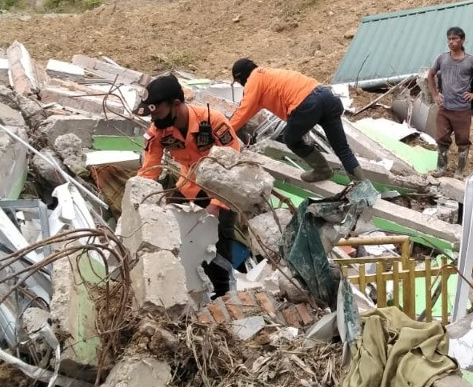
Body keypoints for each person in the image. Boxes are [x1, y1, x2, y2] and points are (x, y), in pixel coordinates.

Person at [135, 75, 242, 298]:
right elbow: (149, 169)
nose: (154, 118)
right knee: (171, 229)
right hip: (188, 185)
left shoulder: (213, 122)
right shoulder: (159, 130)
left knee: (216, 241)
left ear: (175, 104)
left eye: (157, 112)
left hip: (222, 188)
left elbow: (233, 166)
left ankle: (223, 294)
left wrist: (216, 205)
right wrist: (141, 200)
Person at [229, 58, 361, 183]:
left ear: (241, 77)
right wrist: (234, 126)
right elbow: (247, 112)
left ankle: (323, 169)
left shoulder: (254, 79)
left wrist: (225, 129)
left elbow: (243, 110)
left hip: (307, 104)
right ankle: (362, 187)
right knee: (342, 148)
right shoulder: (268, 75)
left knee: (291, 139)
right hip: (327, 96)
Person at [427, 26, 473, 176]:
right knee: (441, 138)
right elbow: (430, 75)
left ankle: (459, 172)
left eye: (455, 39)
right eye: (449, 39)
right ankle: (441, 168)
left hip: (462, 109)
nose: (451, 42)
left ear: (462, 40)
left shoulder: (470, 60)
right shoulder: (442, 58)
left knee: (463, 140)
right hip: (445, 107)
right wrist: (435, 94)